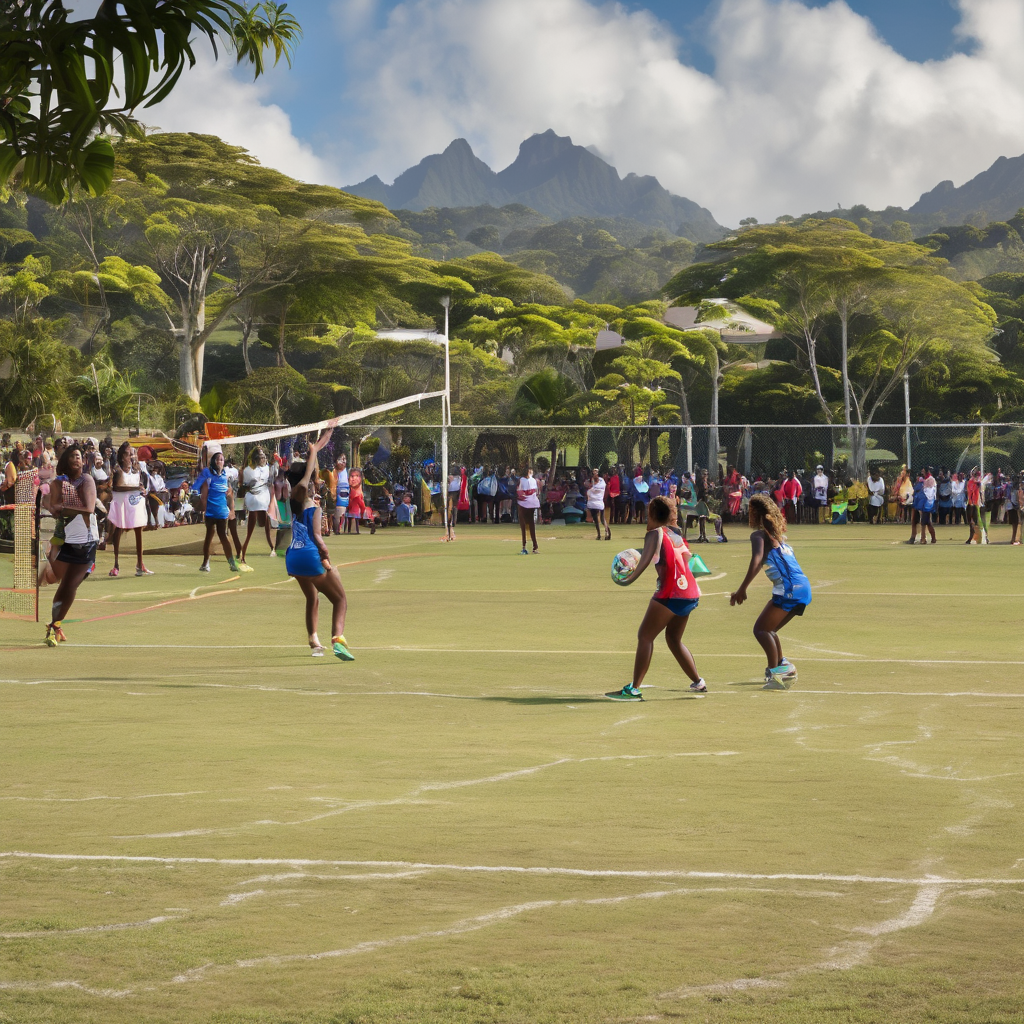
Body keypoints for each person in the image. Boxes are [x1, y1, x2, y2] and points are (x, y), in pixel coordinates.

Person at [607, 494, 707, 701]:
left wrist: (626, 580)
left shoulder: (654, 534)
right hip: (690, 593)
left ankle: (634, 689)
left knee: (645, 636)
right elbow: (689, 563)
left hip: (671, 592)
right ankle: (698, 682)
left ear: (652, 514)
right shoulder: (675, 534)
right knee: (673, 639)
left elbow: (643, 563)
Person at [730, 494, 812, 690]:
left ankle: (776, 673)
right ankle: (782, 665)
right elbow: (764, 563)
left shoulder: (758, 535)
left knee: (761, 630)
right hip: (801, 587)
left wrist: (742, 589)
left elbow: (757, 560)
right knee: (768, 629)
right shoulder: (777, 535)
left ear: (754, 513)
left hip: (789, 589)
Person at [285, 429, 354, 660]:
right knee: (340, 599)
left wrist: (328, 433)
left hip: (294, 557)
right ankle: (338, 640)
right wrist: (325, 554)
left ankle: (314, 640)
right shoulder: (301, 493)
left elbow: (313, 458)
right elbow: (317, 537)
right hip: (308, 554)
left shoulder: (299, 498)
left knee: (312, 597)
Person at [43, 445, 99, 646]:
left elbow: (89, 508)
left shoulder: (87, 480)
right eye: (72, 456)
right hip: (66, 540)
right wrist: (52, 507)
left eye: (79, 456)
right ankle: (55, 626)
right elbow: (48, 503)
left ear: (83, 461)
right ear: (66, 461)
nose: (77, 459)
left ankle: (53, 625)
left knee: (70, 585)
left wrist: (63, 508)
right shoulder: (59, 482)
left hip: (86, 541)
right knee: (65, 585)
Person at [107, 442, 152, 577]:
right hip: (121, 503)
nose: (131, 457)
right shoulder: (117, 470)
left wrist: (143, 490)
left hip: (135, 503)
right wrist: (133, 489)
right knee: (118, 530)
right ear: (122, 456)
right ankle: (116, 564)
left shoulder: (138, 470)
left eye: (133, 454)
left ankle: (140, 563)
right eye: (128, 454)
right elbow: (112, 487)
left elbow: (142, 486)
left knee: (139, 530)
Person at [199, 451, 241, 573]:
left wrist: (232, 509)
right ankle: (205, 562)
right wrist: (205, 509)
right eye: (217, 459)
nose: (219, 462)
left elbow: (230, 494)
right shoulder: (209, 477)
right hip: (211, 511)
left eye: (221, 460)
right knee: (209, 537)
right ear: (213, 462)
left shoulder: (225, 477)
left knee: (223, 536)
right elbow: (204, 496)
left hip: (222, 511)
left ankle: (231, 563)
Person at [240, 446, 276, 562]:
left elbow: (270, 479)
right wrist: (248, 485)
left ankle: (272, 547)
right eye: (261, 457)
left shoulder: (267, 468)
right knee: (251, 526)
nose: (263, 459)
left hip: (263, 497)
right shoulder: (248, 470)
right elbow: (243, 487)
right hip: (253, 497)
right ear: (256, 459)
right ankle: (243, 553)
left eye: (264, 457)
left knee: (264, 522)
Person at [516, 466, 540, 554]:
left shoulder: (522, 480)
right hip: (530, 503)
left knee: (524, 525)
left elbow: (519, 492)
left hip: (524, 504)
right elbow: (536, 492)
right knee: (530, 524)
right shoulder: (533, 480)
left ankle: (526, 546)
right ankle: (533, 547)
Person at [586, 467, 609, 540]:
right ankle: (607, 532)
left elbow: (588, 495)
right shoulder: (602, 485)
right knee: (603, 519)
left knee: (596, 520)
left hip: (593, 505)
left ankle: (599, 535)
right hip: (600, 504)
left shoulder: (590, 490)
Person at [965, 466, 983, 544]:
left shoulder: (974, 482)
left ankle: (973, 537)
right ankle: (975, 537)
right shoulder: (974, 482)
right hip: (974, 503)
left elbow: (971, 492)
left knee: (973, 521)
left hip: (973, 503)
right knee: (974, 521)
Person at [1006, 471, 1022, 546]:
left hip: (1012, 507)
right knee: (1015, 523)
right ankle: (1014, 538)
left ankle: (1015, 538)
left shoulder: (1013, 488)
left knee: (1016, 523)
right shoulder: (1012, 488)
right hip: (1013, 507)